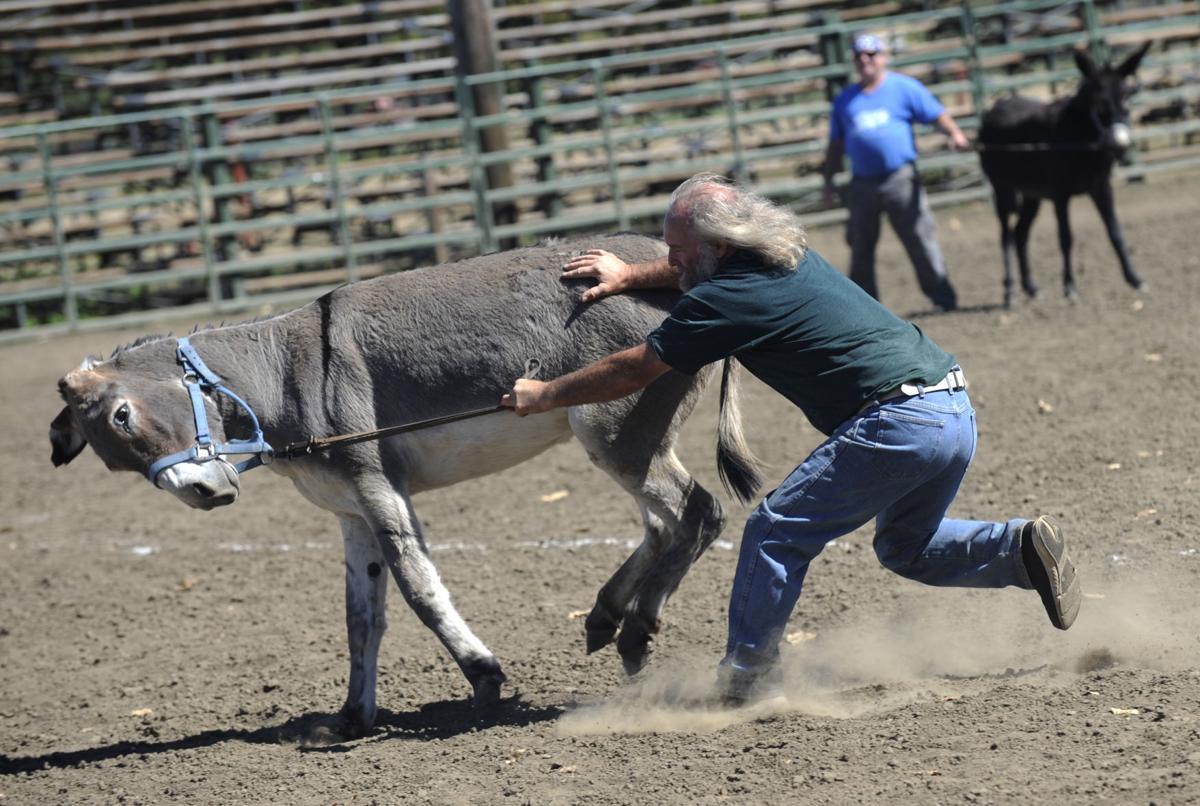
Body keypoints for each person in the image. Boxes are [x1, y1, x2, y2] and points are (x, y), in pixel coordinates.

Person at [500, 173, 1081, 704]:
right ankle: (1019, 547)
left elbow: (636, 368)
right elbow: (687, 276)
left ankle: (748, 679)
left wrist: (545, 394)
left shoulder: (726, 299)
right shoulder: (785, 253)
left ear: (719, 247)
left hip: (898, 424)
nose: (670, 260)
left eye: (678, 250)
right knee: (906, 548)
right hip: (950, 406)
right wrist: (628, 275)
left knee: (774, 532)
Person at [823, 33, 970, 312]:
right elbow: (835, 145)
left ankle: (943, 297)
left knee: (920, 238)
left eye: (871, 54)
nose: (865, 60)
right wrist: (828, 181)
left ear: (883, 57)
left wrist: (955, 134)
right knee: (860, 246)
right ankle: (865, 307)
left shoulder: (904, 88)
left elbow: (936, 114)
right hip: (863, 183)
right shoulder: (845, 101)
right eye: (859, 56)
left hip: (900, 178)